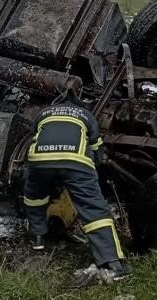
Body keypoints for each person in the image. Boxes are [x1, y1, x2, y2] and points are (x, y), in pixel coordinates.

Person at [22, 90, 132, 284]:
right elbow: (97, 149)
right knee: (94, 209)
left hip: (40, 160)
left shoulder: (44, 113)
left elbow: (35, 136)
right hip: (76, 161)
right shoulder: (86, 115)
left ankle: (37, 239)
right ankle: (112, 262)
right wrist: (94, 171)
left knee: (35, 197)